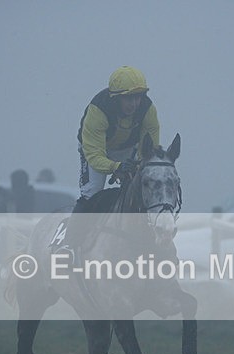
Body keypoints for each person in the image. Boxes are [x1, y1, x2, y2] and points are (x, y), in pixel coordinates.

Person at [59, 66, 160, 252]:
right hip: (96, 149)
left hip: (127, 149)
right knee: (92, 192)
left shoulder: (148, 109)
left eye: (138, 97)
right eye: (128, 98)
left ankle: (153, 243)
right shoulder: (98, 111)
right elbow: (95, 156)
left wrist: (140, 166)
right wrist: (116, 166)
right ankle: (70, 245)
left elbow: (149, 148)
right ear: (116, 98)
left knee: (139, 189)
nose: (134, 103)